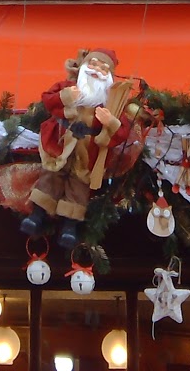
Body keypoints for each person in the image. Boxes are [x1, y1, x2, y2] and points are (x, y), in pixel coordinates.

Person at [20, 46, 143, 249]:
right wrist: (65, 96)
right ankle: (37, 214)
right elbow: (48, 99)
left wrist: (111, 122)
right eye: (93, 64)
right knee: (51, 176)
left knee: (78, 187)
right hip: (61, 143)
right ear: (84, 66)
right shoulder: (68, 86)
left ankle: (70, 226)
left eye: (103, 68)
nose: (96, 71)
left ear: (109, 76)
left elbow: (121, 133)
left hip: (88, 153)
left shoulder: (110, 103)